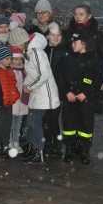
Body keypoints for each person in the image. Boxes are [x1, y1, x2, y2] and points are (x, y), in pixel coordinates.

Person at [61, 30, 102, 165]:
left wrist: (86, 93)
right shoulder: (69, 58)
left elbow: (96, 80)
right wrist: (67, 92)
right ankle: (69, 151)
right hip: (70, 99)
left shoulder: (94, 60)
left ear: (83, 43)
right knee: (69, 125)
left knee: (86, 126)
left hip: (86, 100)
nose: (73, 44)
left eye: (75, 42)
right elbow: (62, 78)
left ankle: (85, 151)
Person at [19, 31, 60, 164]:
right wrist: (27, 85)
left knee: (36, 124)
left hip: (43, 93)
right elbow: (31, 74)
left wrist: (30, 87)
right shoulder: (29, 52)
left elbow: (44, 74)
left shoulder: (36, 52)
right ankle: (31, 148)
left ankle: (39, 151)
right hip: (36, 93)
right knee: (31, 123)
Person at [43, 22, 68, 158]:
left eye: (58, 35)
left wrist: (63, 90)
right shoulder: (43, 51)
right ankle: (47, 143)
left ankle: (56, 145)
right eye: (53, 35)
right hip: (43, 90)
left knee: (54, 118)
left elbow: (66, 74)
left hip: (57, 90)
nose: (56, 38)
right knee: (45, 118)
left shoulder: (64, 52)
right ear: (47, 36)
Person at [0, 45, 20, 157]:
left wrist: (15, 95)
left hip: (9, 103)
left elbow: (13, 84)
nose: (9, 61)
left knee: (7, 125)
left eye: (10, 59)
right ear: (0, 59)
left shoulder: (10, 71)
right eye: (7, 59)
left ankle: (5, 143)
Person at [9, 47, 29, 153]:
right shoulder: (10, 70)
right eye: (16, 59)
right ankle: (10, 141)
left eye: (20, 59)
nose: (18, 62)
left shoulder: (24, 70)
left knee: (18, 123)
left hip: (22, 101)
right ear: (11, 60)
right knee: (11, 122)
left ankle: (16, 141)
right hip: (13, 100)